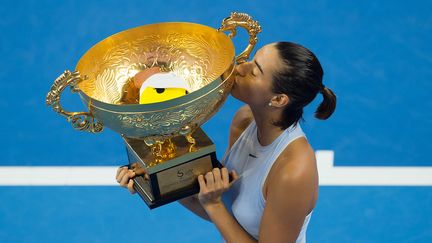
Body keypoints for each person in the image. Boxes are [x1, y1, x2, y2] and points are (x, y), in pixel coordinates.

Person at [116, 41, 337, 242]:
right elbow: (222, 209)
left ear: (278, 99)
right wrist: (153, 178)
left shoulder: (293, 171)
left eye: (255, 71)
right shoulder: (244, 121)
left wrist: (214, 204)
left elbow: (215, 206)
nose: (239, 68)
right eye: (250, 60)